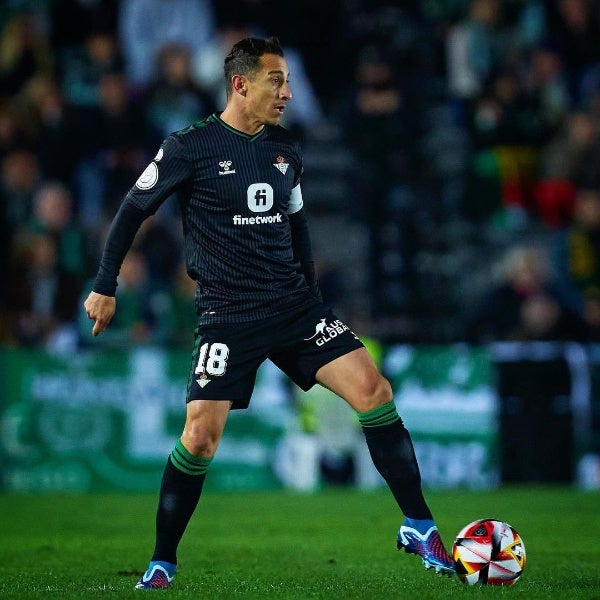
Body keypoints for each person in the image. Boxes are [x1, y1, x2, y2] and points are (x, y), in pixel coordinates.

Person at [83, 36, 455, 590]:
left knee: (374, 390)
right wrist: (105, 285)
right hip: (228, 315)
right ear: (240, 84)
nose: (287, 91)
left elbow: (296, 222)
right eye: (275, 81)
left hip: (295, 308)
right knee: (200, 438)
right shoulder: (190, 146)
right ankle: (162, 561)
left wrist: (310, 289)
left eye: (287, 81)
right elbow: (135, 207)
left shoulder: (285, 149)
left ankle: (418, 525)